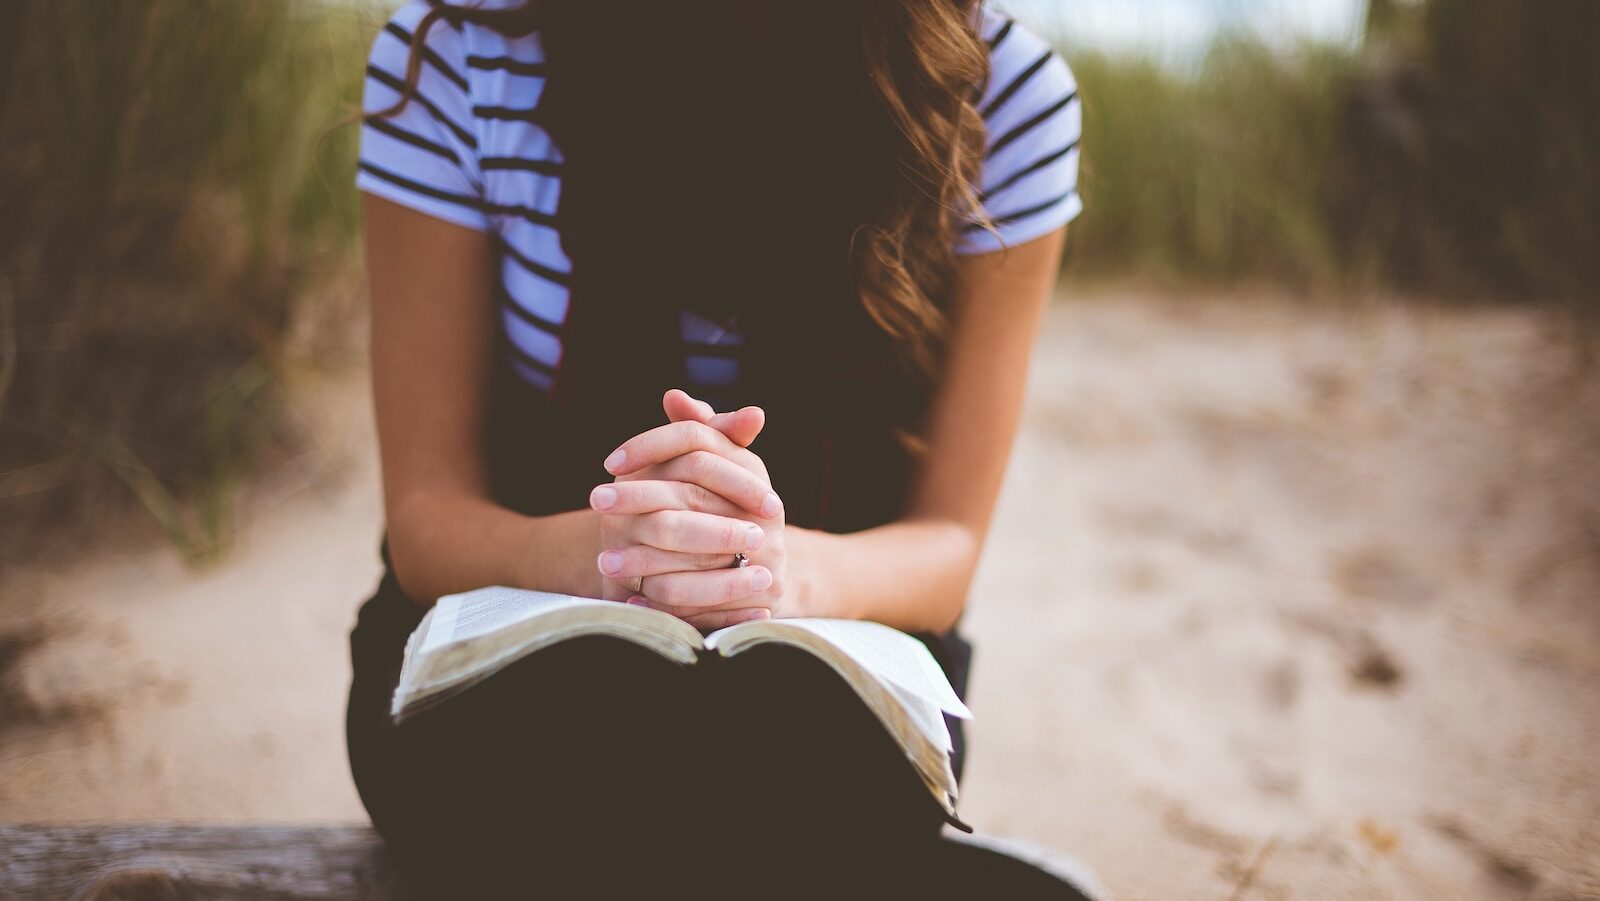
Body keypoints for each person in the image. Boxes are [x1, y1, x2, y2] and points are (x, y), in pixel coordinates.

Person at [344, 0, 1087, 895]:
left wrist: (769, 572)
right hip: (510, 659)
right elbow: (426, 515)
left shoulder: (1003, 97)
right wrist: (612, 552)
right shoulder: (461, 53)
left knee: (776, 807)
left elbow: (949, 545)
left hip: (832, 672)